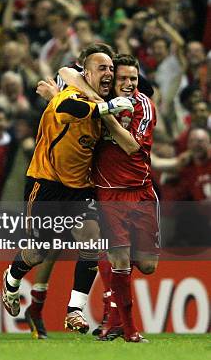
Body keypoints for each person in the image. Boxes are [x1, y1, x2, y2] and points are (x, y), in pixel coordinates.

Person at [0, 51, 134, 334]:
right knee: (38, 253)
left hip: (79, 188)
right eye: (102, 68)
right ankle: (12, 279)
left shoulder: (101, 102)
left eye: (111, 68)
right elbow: (65, 111)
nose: (109, 73)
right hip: (45, 182)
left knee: (92, 240)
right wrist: (105, 108)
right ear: (86, 74)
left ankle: (74, 311)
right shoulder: (70, 96)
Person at [59, 54, 158, 343]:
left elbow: (130, 146)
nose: (128, 84)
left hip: (140, 191)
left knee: (148, 265)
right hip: (107, 193)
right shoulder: (100, 100)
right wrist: (104, 105)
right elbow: (66, 72)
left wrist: (107, 115)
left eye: (133, 79)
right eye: (123, 79)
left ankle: (115, 317)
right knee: (120, 261)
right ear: (112, 81)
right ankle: (128, 330)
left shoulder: (144, 106)